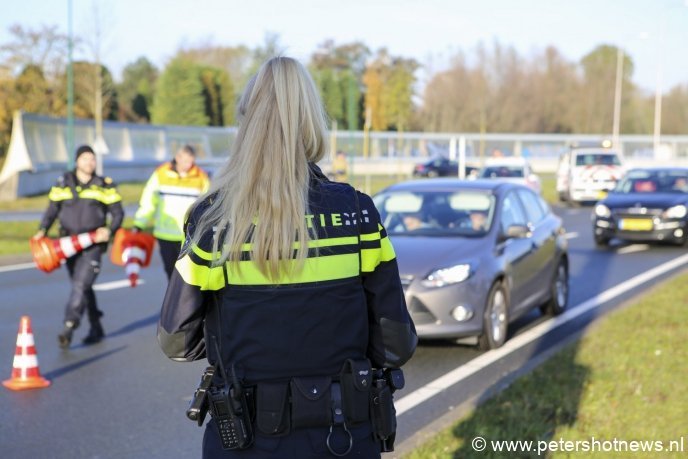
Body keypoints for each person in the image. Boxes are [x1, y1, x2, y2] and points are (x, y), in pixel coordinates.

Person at [157, 57, 417, 459]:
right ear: (312, 122)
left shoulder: (212, 219)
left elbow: (176, 342)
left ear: (247, 121)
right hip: (344, 438)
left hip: (244, 441)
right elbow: (396, 344)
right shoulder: (358, 213)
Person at [34, 145, 124, 348]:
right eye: (85, 158)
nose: (89, 163)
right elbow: (52, 210)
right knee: (83, 286)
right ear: (77, 161)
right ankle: (96, 326)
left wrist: (110, 230)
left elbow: (118, 213)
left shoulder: (104, 185)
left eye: (92, 159)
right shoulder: (63, 183)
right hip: (67, 245)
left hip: (93, 245)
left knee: (80, 285)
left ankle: (69, 325)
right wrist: (42, 230)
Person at [133, 145, 210, 279]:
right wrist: (139, 223)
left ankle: (183, 299)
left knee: (187, 275)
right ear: (177, 158)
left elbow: (207, 205)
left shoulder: (200, 177)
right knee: (171, 272)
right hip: (165, 235)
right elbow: (148, 201)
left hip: (189, 235)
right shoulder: (160, 174)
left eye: (191, 161)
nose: (189, 164)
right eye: (186, 161)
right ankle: (175, 299)